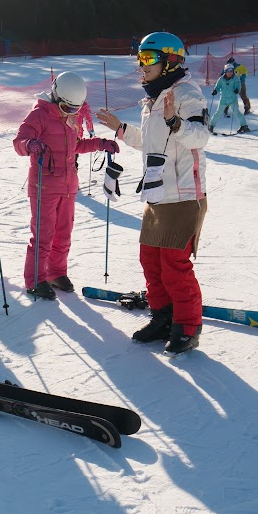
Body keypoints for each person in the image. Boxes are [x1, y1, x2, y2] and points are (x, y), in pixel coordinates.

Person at [95, 31, 210, 354]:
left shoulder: (187, 94)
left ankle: (187, 326)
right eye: (139, 59)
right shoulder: (153, 99)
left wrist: (175, 121)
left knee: (174, 265)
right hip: (158, 195)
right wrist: (121, 129)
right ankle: (163, 317)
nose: (140, 66)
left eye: (147, 59)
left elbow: (200, 137)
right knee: (151, 262)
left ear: (171, 61)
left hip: (184, 195)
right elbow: (150, 143)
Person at [13, 72, 118, 299]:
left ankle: (56, 273)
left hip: (69, 186)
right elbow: (18, 142)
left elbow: (75, 145)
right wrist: (30, 144)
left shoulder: (69, 119)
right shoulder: (39, 115)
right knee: (43, 234)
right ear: (55, 94)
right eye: (67, 107)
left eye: (75, 110)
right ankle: (35, 279)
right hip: (44, 186)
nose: (70, 112)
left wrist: (100, 143)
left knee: (64, 233)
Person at [208, 62, 250, 134]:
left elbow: (238, 85)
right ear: (225, 71)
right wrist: (215, 91)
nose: (230, 73)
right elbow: (218, 86)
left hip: (232, 99)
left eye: (231, 71)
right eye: (228, 71)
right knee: (218, 113)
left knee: (237, 112)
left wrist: (237, 89)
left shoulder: (235, 78)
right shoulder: (221, 79)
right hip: (223, 99)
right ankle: (211, 126)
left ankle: (244, 125)